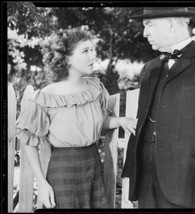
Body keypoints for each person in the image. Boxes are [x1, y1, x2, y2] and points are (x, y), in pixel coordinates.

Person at [121, 7, 195, 208]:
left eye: (149, 25)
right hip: (146, 184)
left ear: (172, 24)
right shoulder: (150, 69)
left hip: (185, 185)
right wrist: (132, 181)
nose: (145, 33)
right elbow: (142, 126)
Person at [15, 29, 137, 209]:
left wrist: (120, 121)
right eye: (85, 51)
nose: (92, 56)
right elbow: (28, 141)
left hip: (93, 164)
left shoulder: (95, 88)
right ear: (68, 59)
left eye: (92, 50)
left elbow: (95, 122)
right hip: (63, 170)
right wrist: (41, 183)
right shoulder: (46, 96)